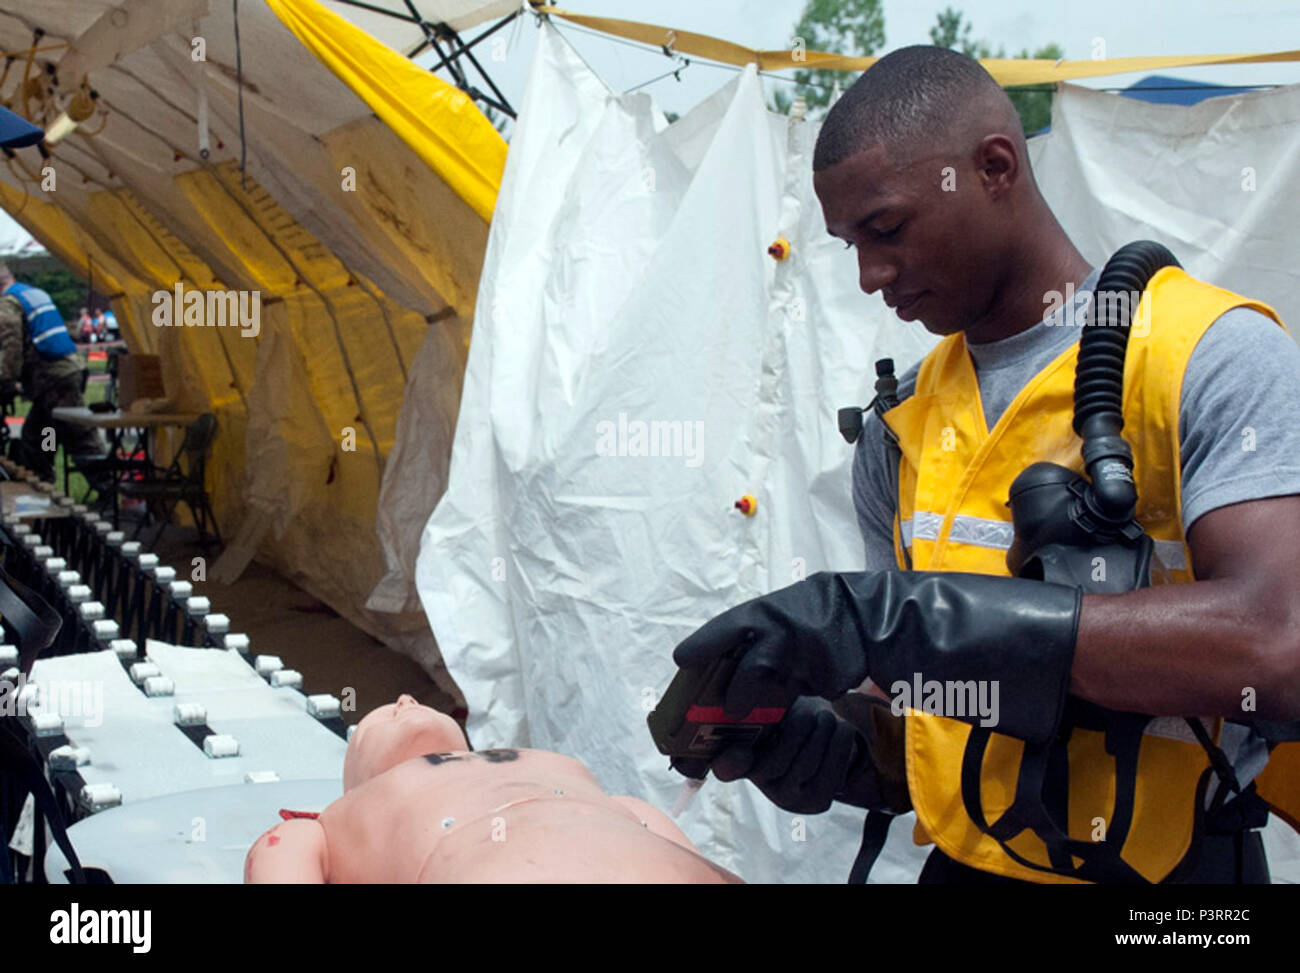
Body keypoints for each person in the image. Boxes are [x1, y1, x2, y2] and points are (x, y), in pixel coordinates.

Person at [665, 46, 1300, 884]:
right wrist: (840, 746)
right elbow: (935, 715)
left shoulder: (1210, 357)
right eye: (850, 243)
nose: (869, 275)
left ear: (995, 167)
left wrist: (898, 618)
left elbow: (1278, 647)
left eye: (886, 229)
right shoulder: (902, 428)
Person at [244, 695, 743, 883]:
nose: (404, 697)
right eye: (380, 715)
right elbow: (278, 864)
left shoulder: (552, 766)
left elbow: (674, 844)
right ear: (357, 778)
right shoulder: (332, 822)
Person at [0, 263, 104, 478]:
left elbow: (12, 347)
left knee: (78, 438)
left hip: (53, 379)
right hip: (64, 374)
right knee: (43, 435)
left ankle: (109, 491)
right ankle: (44, 487)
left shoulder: (8, 303)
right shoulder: (33, 294)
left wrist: (5, 379)